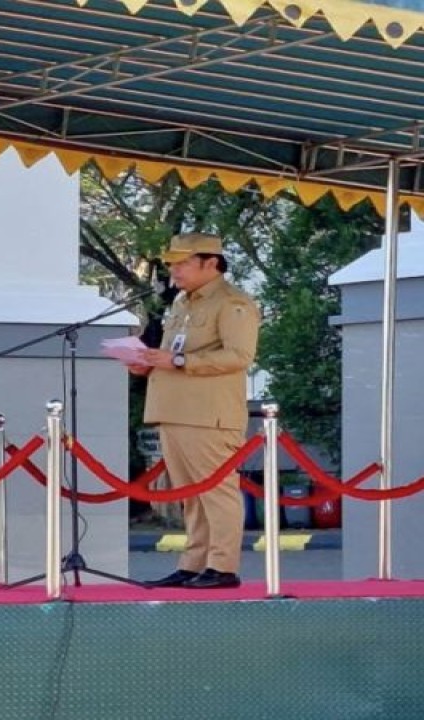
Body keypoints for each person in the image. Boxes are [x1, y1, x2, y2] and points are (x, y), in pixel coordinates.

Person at [133, 233, 260, 590]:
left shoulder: (233, 302)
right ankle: (194, 564)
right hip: (174, 410)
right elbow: (172, 353)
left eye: (183, 263)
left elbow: (239, 356)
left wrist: (177, 361)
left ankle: (222, 566)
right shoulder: (181, 303)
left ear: (211, 263)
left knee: (216, 492)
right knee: (190, 496)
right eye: (172, 263)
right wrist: (148, 363)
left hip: (208, 414)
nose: (174, 270)